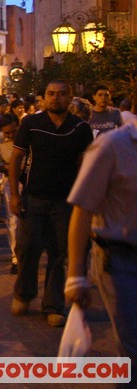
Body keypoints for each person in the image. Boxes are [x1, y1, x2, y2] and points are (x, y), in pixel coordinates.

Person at [9, 80, 93, 327]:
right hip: (33, 197)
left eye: (61, 94)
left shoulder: (80, 128)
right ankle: (23, 294)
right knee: (26, 248)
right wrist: (15, 194)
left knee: (59, 253)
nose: (55, 98)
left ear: (70, 97)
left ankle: (53, 305)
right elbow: (16, 159)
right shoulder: (31, 123)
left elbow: (84, 165)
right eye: (51, 94)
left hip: (66, 201)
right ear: (43, 98)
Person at [66, 117, 137, 366]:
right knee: (133, 349)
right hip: (121, 261)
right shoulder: (112, 146)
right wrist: (75, 275)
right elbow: (82, 209)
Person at [0, 113, 20, 274]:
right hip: (11, 181)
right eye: (6, 133)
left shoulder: (27, 136)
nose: (10, 135)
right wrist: (11, 167)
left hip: (30, 181)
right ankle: (15, 257)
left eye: (13, 132)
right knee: (13, 220)